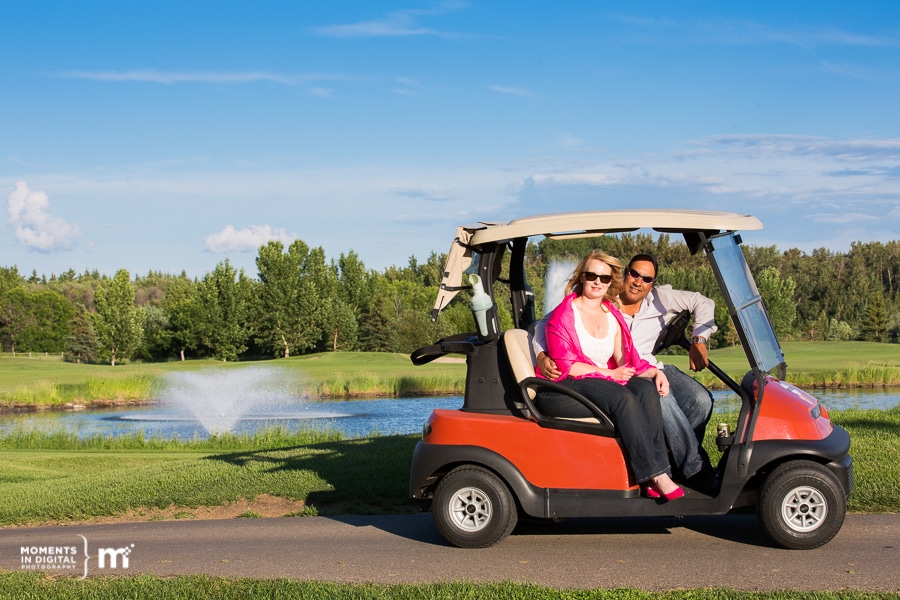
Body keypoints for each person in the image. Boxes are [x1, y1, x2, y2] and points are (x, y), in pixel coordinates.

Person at [535, 253, 718, 490]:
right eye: (634, 274)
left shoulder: (660, 298)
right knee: (660, 399)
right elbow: (545, 325)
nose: (638, 281)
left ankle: (674, 458)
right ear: (624, 275)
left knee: (700, 400)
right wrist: (541, 355)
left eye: (647, 278)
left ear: (653, 282)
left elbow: (702, 302)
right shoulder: (605, 301)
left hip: (646, 366)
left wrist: (699, 339)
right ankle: (693, 470)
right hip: (615, 373)